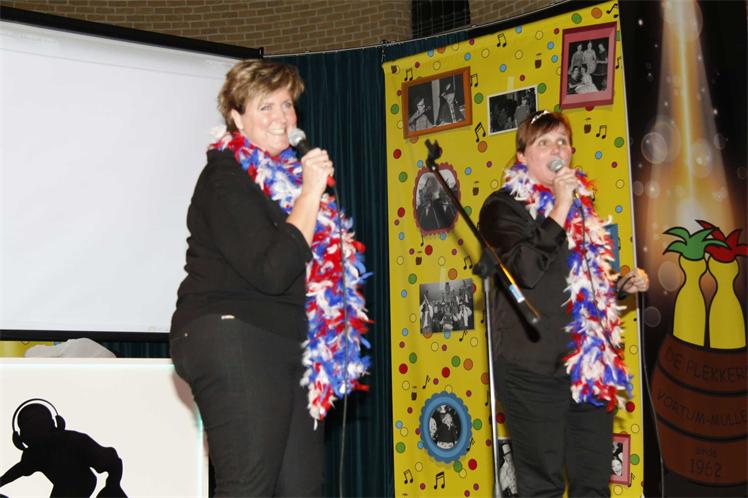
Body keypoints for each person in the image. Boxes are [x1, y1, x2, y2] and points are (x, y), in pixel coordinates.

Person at [169, 60, 368, 497]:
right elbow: (273, 270)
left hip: (290, 341)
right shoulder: (225, 176)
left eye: (287, 104)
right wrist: (311, 192)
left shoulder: (289, 183)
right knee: (249, 486)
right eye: (266, 107)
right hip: (231, 332)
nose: (282, 117)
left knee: (301, 488)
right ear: (237, 119)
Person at [478, 110, 649, 497]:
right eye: (543, 142)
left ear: (571, 152)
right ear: (522, 156)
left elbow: (578, 285)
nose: (556, 149)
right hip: (532, 372)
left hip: (588, 370)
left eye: (562, 142)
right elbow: (526, 271)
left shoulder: (582, 211)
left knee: (594, 485)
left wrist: (620, 284)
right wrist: (560, 205)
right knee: (543, 487)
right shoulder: (502, 208)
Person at [0, 401, 126, 497]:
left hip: (82, 484)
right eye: (30, 428)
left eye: (38, 425)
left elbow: (112, 460)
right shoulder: (35, 454)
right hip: (63, 489)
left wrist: (113, 485)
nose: (36, 431)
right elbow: (18, 470)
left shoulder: (71, 439)